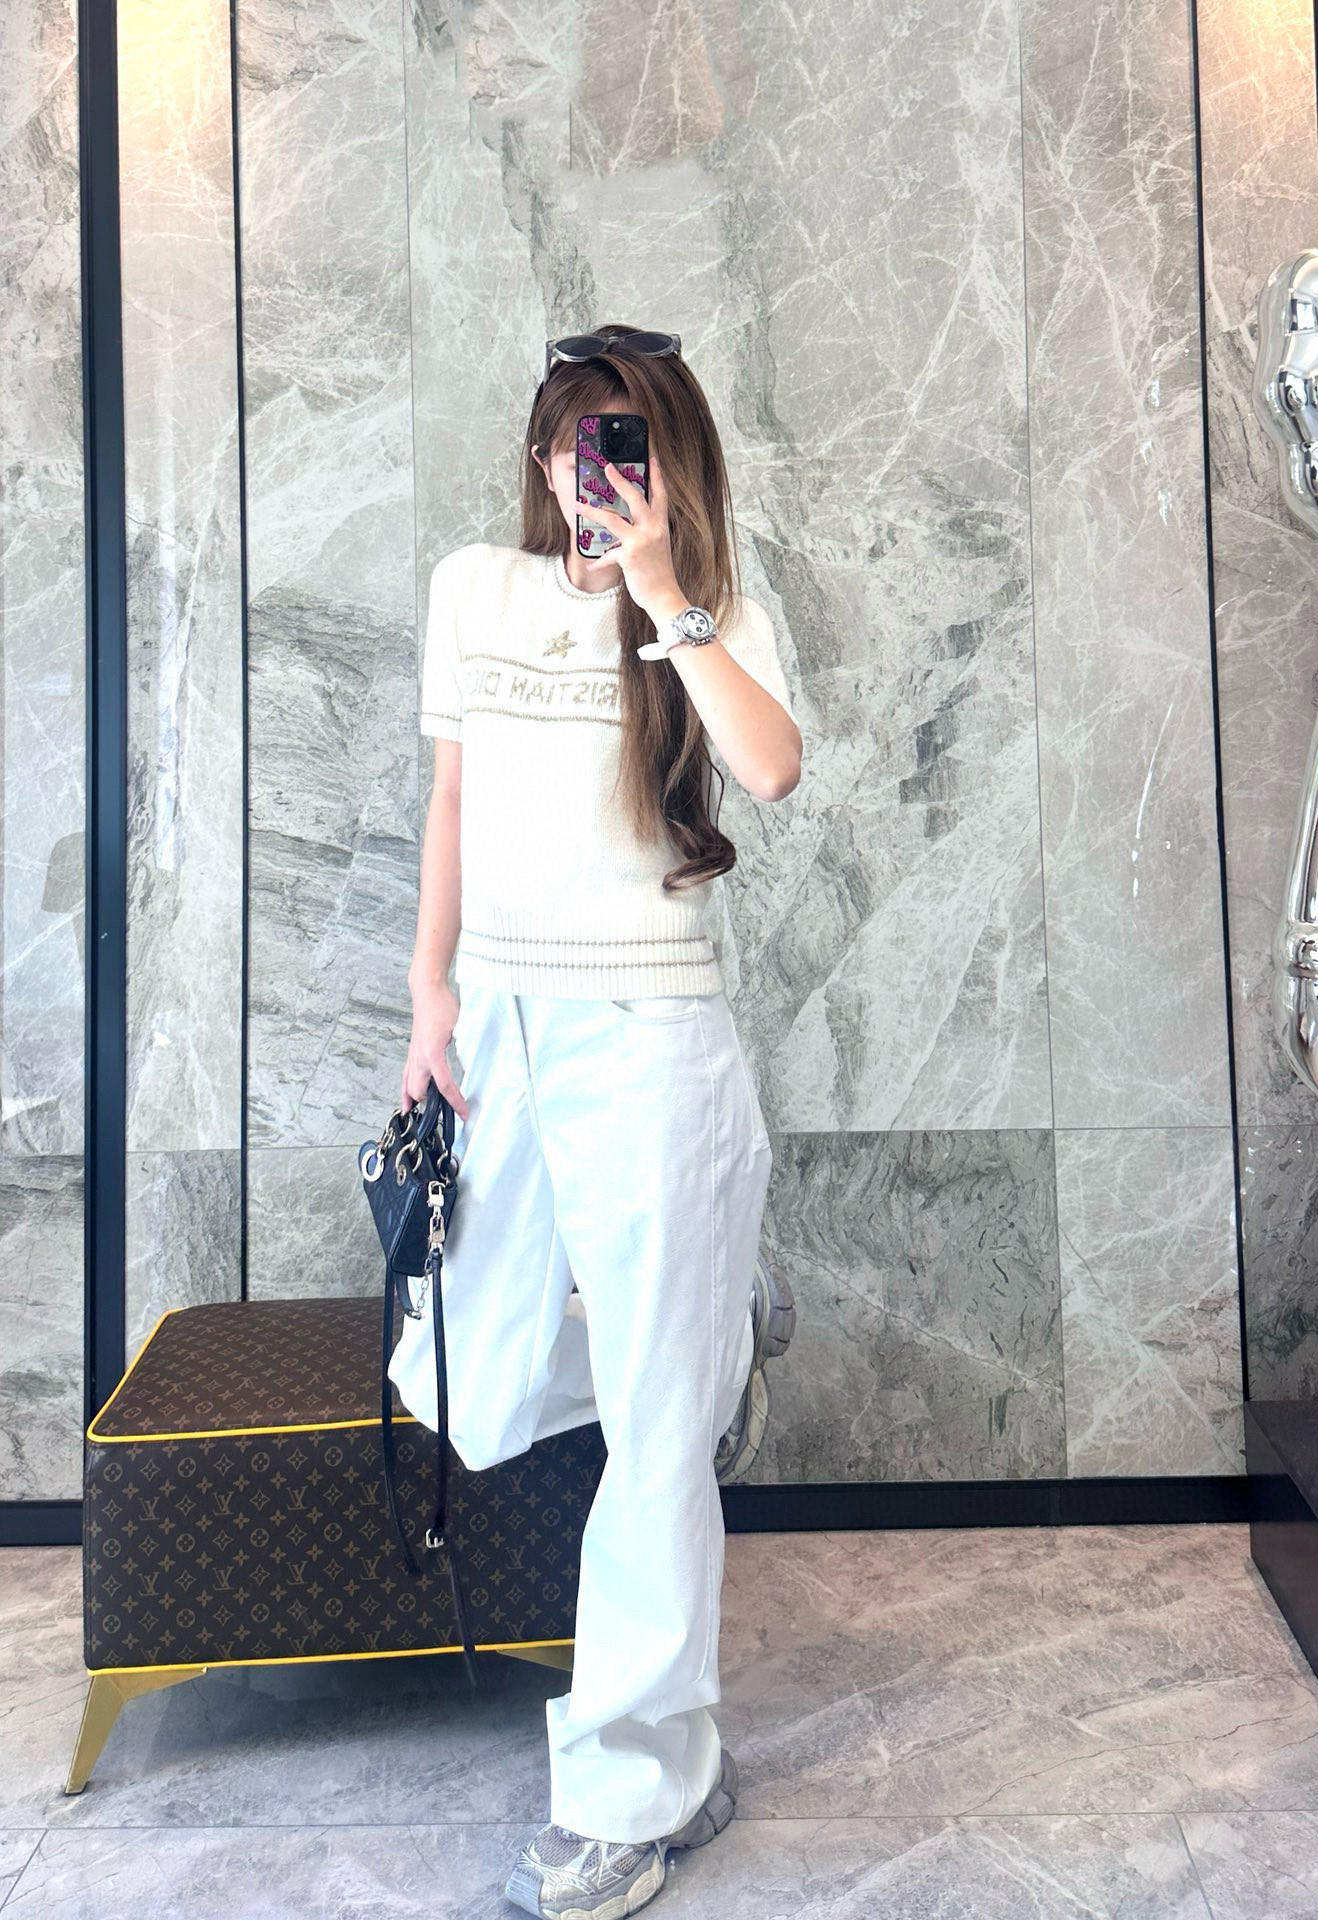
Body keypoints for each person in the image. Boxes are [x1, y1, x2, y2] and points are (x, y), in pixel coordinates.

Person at [384, 324, 802, 1918]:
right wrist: (428, 999)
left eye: (622, 444)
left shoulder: (712, 613)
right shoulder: (474, 591)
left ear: (668, 461)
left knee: (651, 1433)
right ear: (541, 456)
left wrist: (666, 595)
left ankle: (629, 1791)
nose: (593, 473)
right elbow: (451, 802)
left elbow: (771, 769)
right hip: (499, 1027)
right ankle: (705, 1349)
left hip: (651, 1035)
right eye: (573, 442)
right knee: (465, 1378)